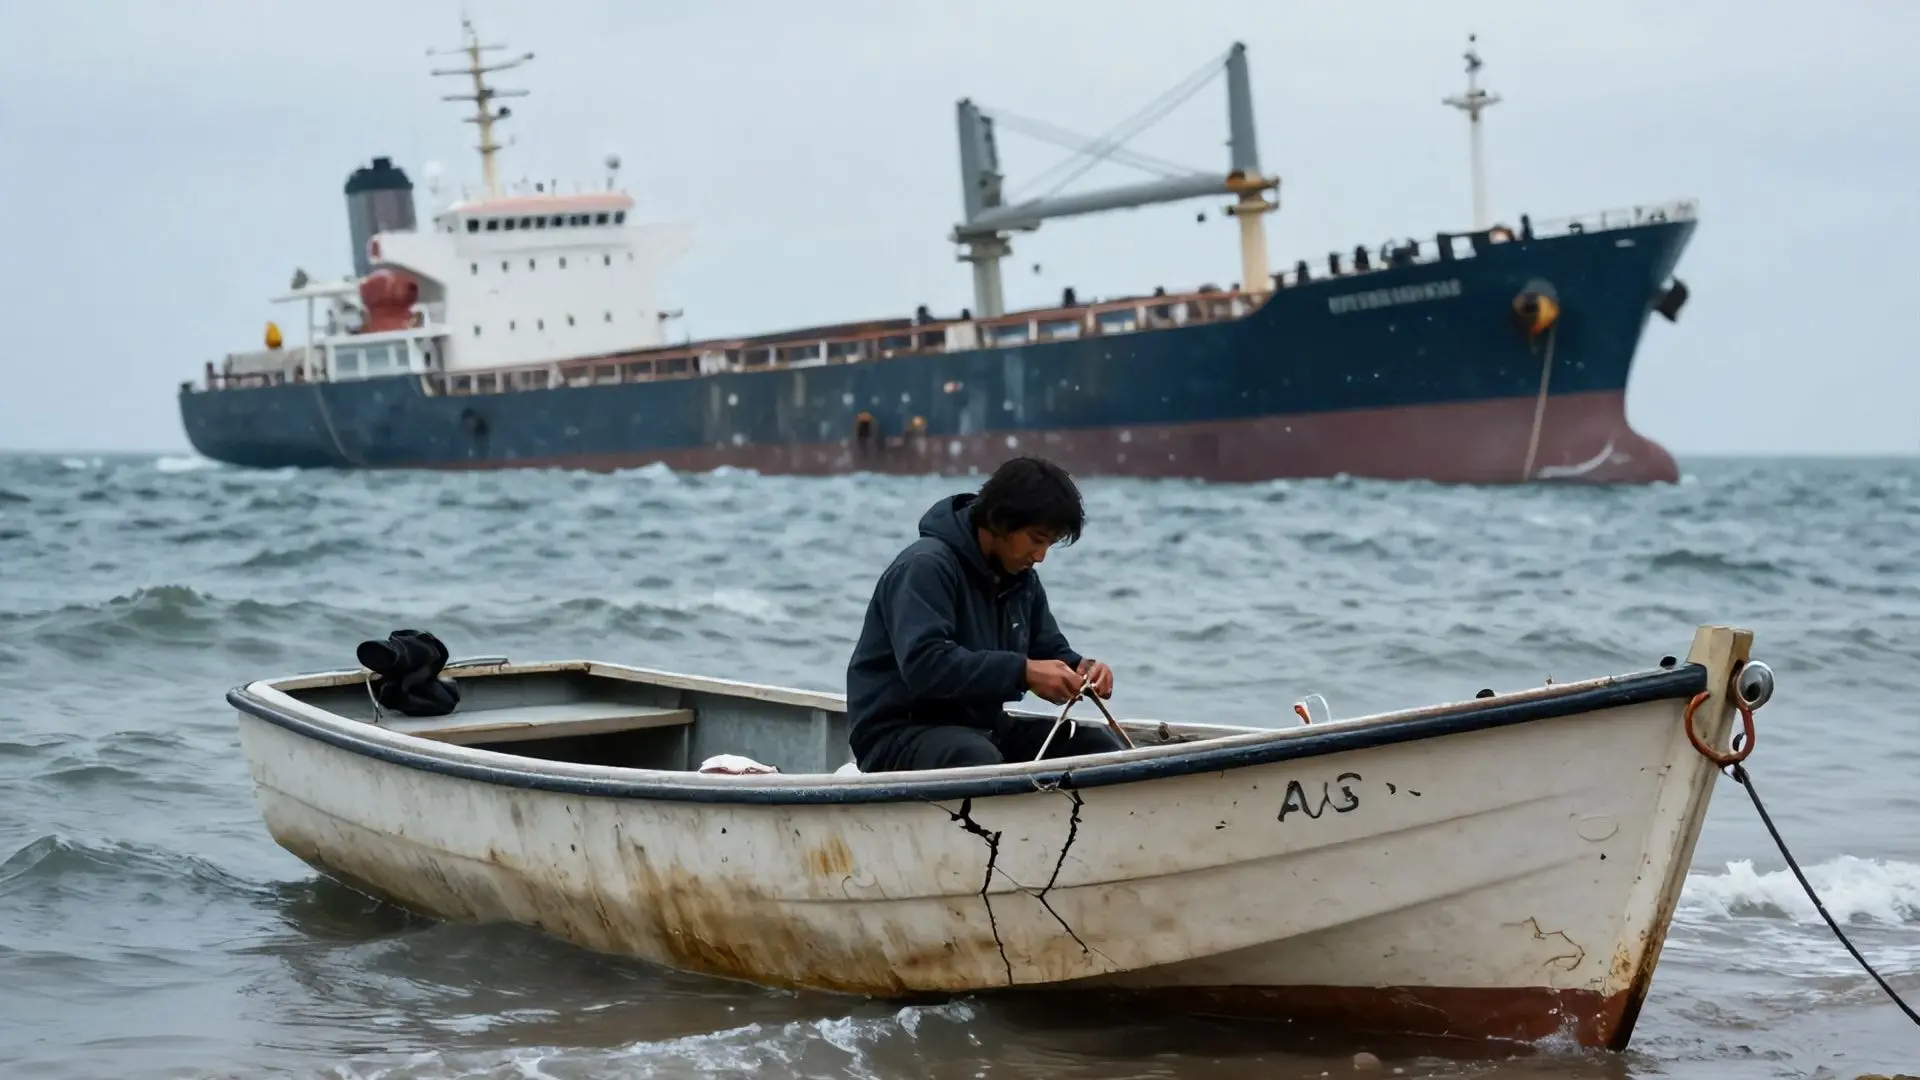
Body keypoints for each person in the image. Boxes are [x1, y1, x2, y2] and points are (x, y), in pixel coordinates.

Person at [845, 456, 1125, 772]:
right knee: (977, 760)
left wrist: (1082, 670)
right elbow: (926, 666)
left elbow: (1048, 650)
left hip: (983, 730)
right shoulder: (925, 567)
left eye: (1050, 544)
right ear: (999, 519)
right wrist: (1023, 672)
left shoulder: (1021, 578)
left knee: (1097, 748)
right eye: (1036, 539)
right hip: (899, 735)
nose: (1040, 556)